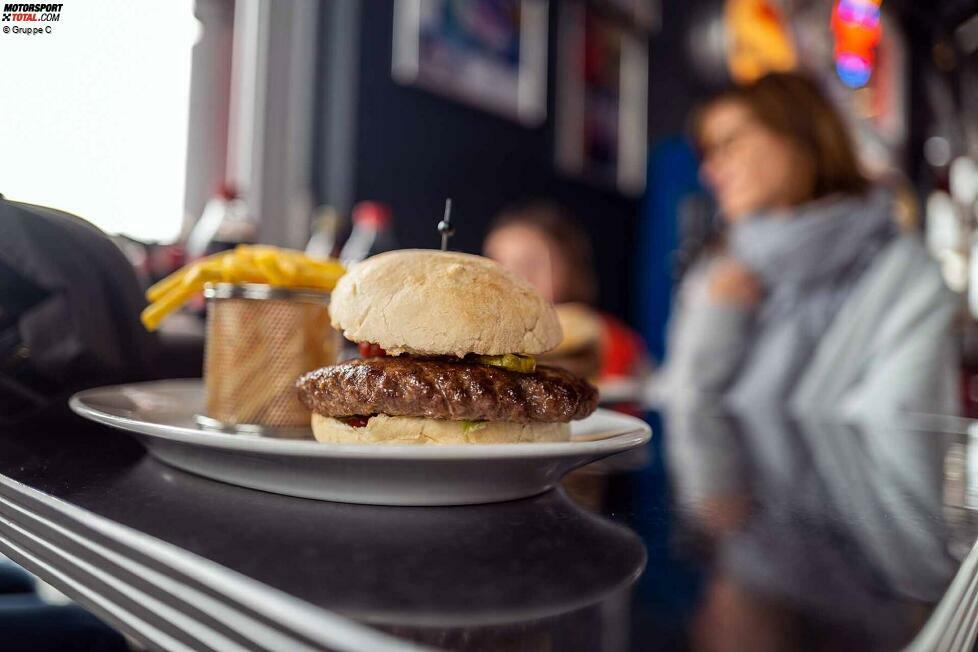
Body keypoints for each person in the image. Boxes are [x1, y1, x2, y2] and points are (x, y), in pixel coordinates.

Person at [662, 72, 958, 419]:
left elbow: (896, 426)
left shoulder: (907, 277)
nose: (709, 173)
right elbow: (677, 404)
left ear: (799, 136)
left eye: (728, 144)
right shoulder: (719, 271)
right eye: (707, 155)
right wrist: (718, 320)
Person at [483, 202, 649, 386]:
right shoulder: (487, 341)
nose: (514, 279)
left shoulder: (608, 338)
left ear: (570, 265)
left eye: (530, 264)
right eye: (498, 268)